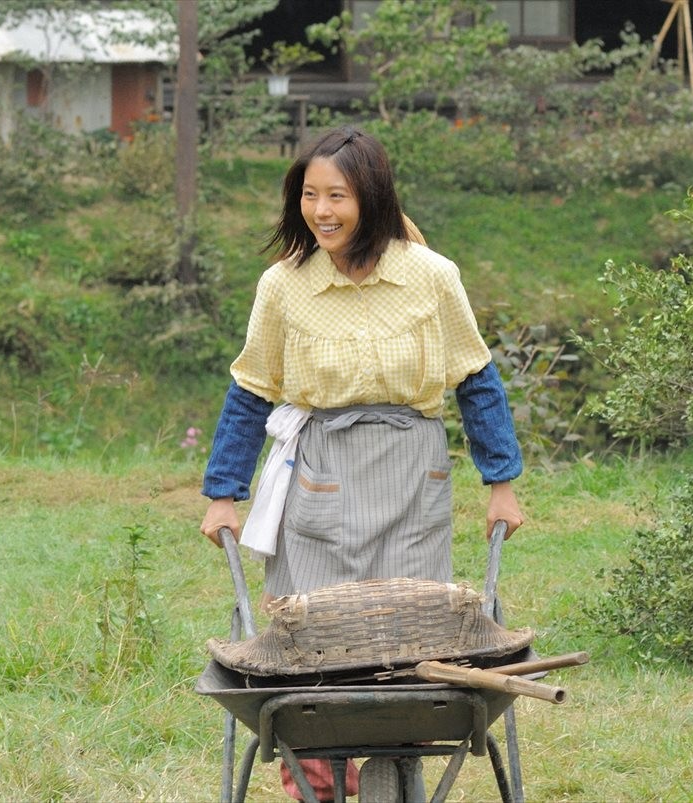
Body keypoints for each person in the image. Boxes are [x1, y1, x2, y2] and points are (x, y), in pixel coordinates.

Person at [198, 125, 524, 799]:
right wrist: (222, 492)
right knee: (310, 637)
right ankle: (318, 783)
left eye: (337, 196)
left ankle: (394, 768)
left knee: (409, 639)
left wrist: (502, 484)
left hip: (414, 470)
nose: (322, 211)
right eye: (311, 195)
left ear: (370, 197)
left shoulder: (431, 277)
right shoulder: (284, 286)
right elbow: (251, 388)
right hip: (319, 470)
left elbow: (477, 378)